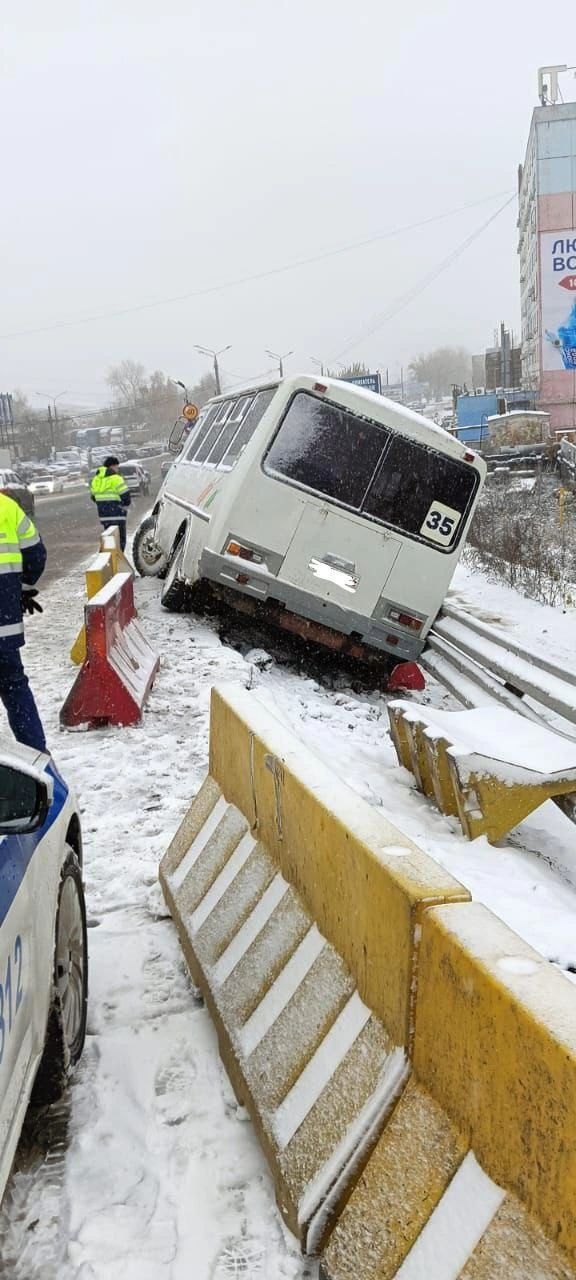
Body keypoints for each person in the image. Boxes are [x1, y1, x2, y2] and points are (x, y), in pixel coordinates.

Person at [0, 492, 47, 753]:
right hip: (3, 624)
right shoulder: (7, 507)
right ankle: (36, 755)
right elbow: (36, 555)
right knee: (15, 687)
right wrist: (21, 588)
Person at [90, 456, 131, 550]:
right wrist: (121, 505)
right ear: (112, 466)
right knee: (120, 541)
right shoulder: (116, 479)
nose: (117, 469)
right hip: (118, 515)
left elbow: (93, 497)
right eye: (117, 467)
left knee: (109, 540)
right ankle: (118, 561)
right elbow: (126, 498)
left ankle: (110, 559)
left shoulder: (96, 479)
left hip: (104, 517)